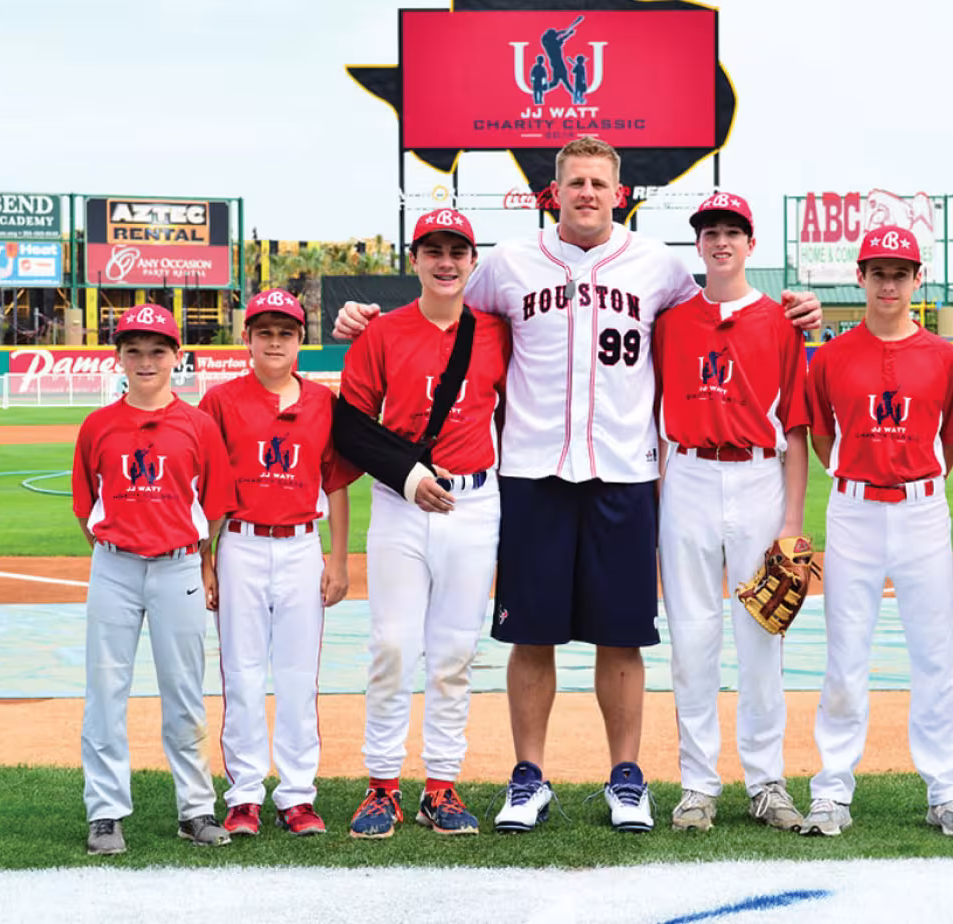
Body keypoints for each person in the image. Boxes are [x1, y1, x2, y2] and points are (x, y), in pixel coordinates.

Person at [334, 138, 822, 834]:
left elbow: (725, 314)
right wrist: (365, 318)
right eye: (575, 182)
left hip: (625, 473)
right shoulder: (507, 264)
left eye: (599, 182)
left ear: (618, 193)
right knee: (531, 636)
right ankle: (528, 776)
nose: (588, 192)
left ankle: (626, 777)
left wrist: (794, 306)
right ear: (554, 191)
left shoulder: (658, 268)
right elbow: (439, 309)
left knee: (621, 637)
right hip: (534, 473)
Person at [803, 225, 953, 838]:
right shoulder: (829, 355)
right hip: (852, 509)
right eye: (878, 271)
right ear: (860, 276)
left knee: (935, 655)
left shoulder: (945, 357)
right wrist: (851, 474)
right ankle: (831, 788)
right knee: (845, 656)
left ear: (916, 280)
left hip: (922, 510)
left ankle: (947, 790)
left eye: (899, 272)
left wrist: (914, 482)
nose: (888, 282)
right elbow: (822, 435)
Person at [337, 209, 511, 838]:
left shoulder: (497, 330)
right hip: (401, 501)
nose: (445, 262)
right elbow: (350, 426)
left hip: (474, 503)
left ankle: (442, 784)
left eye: (457, 252)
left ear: (472, 260)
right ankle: (382, 784)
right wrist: (409, 477)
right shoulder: (383, 333)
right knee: (391, 645)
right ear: (414, 259)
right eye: (432, 251)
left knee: (455, 651)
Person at [654, 192, 810, 833]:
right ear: (698, 244)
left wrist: (793, 524)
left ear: (751, 245)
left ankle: (766, 782)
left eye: (733, 232)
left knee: (761, 638)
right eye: (710, 232)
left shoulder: (780, 322)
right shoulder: (670, 321)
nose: (721, 241)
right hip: (687, 472)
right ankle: (698, 785)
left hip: (757, 477)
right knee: (691, 638)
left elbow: (796, 431)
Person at [71, 303, 234, 856]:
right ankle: (105, 814)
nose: (146, 361)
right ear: (118, 356)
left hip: (179, 566)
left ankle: (196, 809)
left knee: (185, 692)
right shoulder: (96, 426)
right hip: (114, 567)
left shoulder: (199, 426)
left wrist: (194, 554)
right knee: (105, 692)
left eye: (158, 350)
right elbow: (86, 507)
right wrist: (121, 547)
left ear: (177, 358)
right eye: (134, 350)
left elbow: (214, 509)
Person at [198, 288, 354, 839]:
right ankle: (243, 796)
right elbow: (207, 487)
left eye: (285, 332)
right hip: (239, 541)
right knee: (240, 674)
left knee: (296, 677)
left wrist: (337, 558)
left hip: (300, 544)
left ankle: (297, 795)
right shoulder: (220, 401)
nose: (274, 341)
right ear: (246, 338)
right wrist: (207, 560)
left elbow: (334, 483)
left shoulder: (322, 403)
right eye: (263, 331)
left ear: (300, 342)